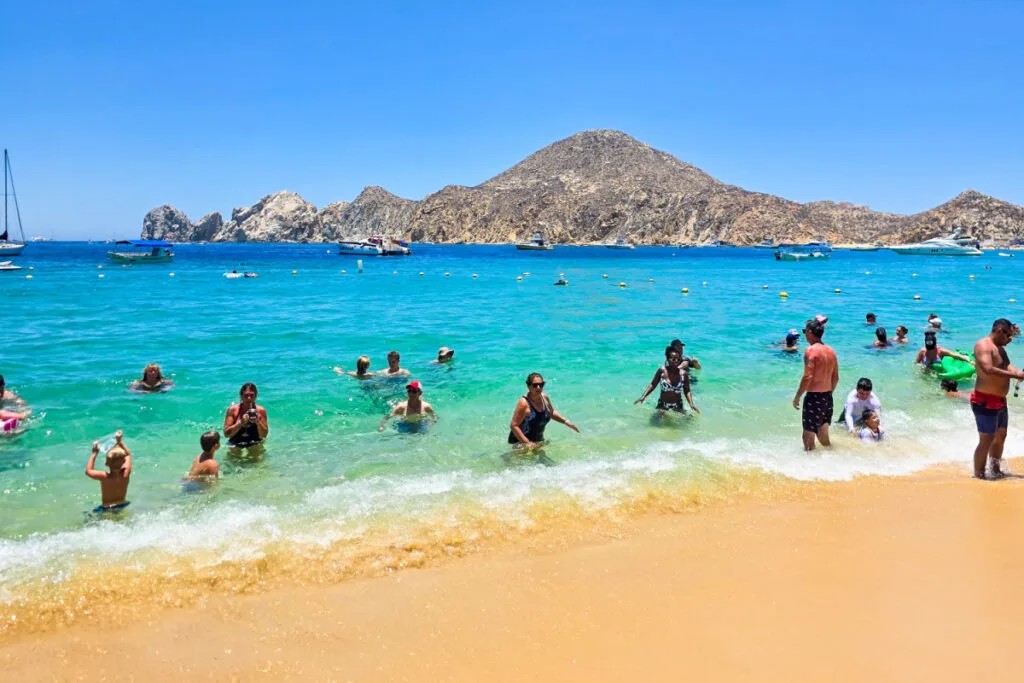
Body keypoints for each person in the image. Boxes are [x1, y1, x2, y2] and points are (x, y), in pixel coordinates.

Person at [970, 319, 1024, 479]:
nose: (1009, 340)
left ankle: (995, 470)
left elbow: (1007, 365)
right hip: (984, 400)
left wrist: (1018, 373)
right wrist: (1015, 375)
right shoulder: (983, 345)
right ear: (1000, 331)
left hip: (1000, 401)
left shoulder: (1000, 348)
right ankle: (979, 474)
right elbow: (988, 369)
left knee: (1000, 436)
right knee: (986, 439)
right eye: (1008, 336)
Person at [792, 318, 839, 451]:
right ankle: (832, 459)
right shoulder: (831, 351)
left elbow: (808, 376)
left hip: (814, 397)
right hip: (827, 397)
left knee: (808, 435)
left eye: (804, 331)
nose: (804, 334)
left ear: (809, 332)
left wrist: (797, 397)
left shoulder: (811, 351)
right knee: (823, 434)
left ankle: (811, 468)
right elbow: (835, 377)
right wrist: (828, 393)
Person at [508, 373, 579, 448]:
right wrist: (527, 443)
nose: (538, 387)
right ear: (528, 386)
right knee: (519, 459)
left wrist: (566, 421)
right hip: (521, 443)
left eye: (541, 384)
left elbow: (551, 412)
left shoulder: (544, 397)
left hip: (537, 441)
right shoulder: (524, 403)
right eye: (535, 385)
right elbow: (514, 425)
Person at [635, 346, 701, 415]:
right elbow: (653, 384)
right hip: (662, 405)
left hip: (678, 405)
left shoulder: (683, 374)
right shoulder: (662, 371)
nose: (676, 361)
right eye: (673, 359)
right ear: (667, 359)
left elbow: (687, 390)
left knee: (687, 423)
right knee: (656, 424)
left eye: (678, 359)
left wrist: (691, 404)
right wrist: (643, 396)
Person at [85, 430, 132, 511]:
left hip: (107, 508)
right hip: (122, 505)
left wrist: (94, 453)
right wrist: (119, 441)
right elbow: (128, 455)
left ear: (106, 463)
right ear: (123, 462)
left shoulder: (105, 477)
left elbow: (88, 471)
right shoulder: (126, 473)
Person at [223, 382, 269, 448]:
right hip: (235, 443)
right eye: (246, 395)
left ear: (256, 396)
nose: (249, 398)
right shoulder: (233, 410)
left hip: (255, 443)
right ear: (241, 396)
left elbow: (264, 435)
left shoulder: (261, 411)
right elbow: (226, 434)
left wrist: (258, 422)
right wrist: (240, 423)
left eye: (252, 395)